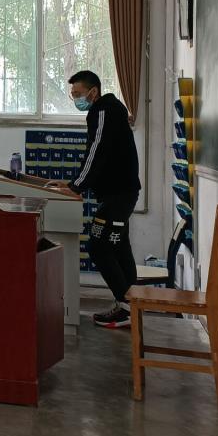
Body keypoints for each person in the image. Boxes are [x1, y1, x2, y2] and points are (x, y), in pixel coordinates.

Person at [49, 70, 141, 330]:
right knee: (119, 247)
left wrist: (77, 186)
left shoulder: (102, 111)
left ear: (93, 92)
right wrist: (74, 183)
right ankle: (129, 305)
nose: (75, 99)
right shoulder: (110, 110)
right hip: (121, 193)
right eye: (72, 95)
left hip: (118, 195)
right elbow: (94, 155)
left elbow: (96, 151)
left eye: (78, 94)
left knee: (98, 247)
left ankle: (127, 306)